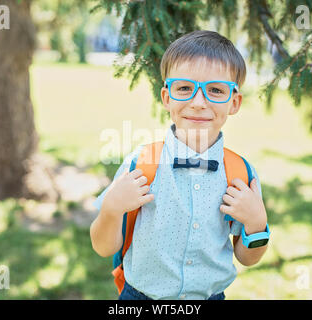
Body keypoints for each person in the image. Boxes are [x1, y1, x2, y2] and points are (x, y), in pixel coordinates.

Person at [90, 30, 269, 300]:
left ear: (234, 102)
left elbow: (248, 258)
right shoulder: (141, 165)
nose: (198, 102)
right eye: (184, 88)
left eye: (215, 91)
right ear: (166, 97)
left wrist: (257, 223)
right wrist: (112, 208)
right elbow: (103, 248)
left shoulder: (240, 175)